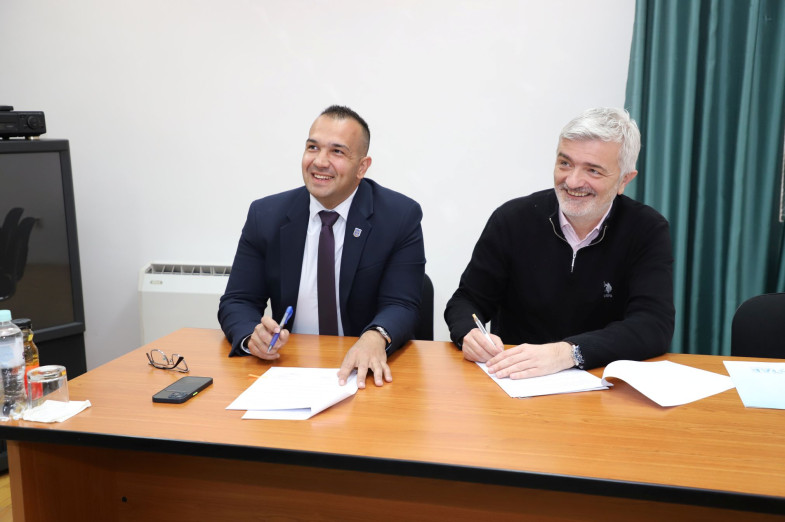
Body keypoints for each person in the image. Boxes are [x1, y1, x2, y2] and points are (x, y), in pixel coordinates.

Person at [444, 107, 674, 379]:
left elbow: (652, 325)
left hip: (601, 382)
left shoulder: (647, 229)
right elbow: (466, 300)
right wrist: (469, 333)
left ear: (624, 180)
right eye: (565, 163)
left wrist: (567, 353)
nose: (572, 181)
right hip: (514, 380)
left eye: (593, 170)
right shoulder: (512, 219)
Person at [219, 105, 425, 388]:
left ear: (362, 167)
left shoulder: (399, 216)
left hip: (363, 371)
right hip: (288, 367)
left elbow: (402, 303)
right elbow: (238, 300)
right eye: (312, 147)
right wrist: (251, 336)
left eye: (337, 151)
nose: (319, 161)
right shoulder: (265, 215)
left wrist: (375, 336)